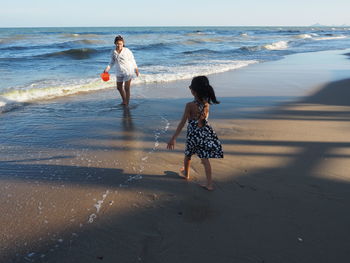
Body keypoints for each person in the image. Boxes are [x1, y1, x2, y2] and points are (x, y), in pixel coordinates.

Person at [167, 76, 223, 191]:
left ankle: (186, 175)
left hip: (193, 136)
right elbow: (205, 119)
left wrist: (173, 138)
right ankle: (209, 184)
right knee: (205, 159)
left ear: (194, 91)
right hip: (204, 134)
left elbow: (182, 123)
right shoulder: (207, 104)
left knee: (188, 156)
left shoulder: (189, 105)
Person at [103, 35, 139, 106]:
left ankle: (127, 103)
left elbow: (132, 60)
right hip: (119, 72)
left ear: (123, 43)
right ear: (115, 43)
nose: (119, 45)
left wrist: (136, 69)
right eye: (117, 44)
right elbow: (112, 62)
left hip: (128, 71)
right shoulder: (113, 52)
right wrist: (107, 69)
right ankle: (124, 100)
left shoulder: (127, 51)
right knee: (119, 87)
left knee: (126, 88)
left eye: (120, 44)